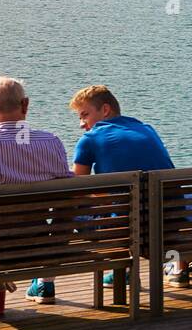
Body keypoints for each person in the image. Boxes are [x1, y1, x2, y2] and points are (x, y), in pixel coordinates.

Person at [0, 77, 72, 305]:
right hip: (40, 243)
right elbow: (68, 198)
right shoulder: (51, 142)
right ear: (25, 105)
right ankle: (44, 281)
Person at [69, 85, 173, 286]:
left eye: (85, 115)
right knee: (121, 202)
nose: (82, 124)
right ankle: (172, 268)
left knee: (75, 208)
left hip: (125, 229)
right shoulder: (147, 129)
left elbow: (76, 191)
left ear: (105, 110)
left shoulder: (90, 139)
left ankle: (122, 271)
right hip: (166, 224)